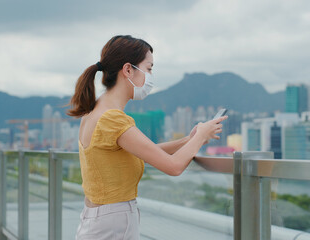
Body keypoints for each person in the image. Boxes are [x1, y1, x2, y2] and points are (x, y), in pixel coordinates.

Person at [67, 35, 228, 239]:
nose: (151, 76)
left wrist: (190, 139)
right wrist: (201, 136)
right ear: (128, 70)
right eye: (149, 68)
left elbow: (146, 152)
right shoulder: (113, 119)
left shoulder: (95, 111)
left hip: (99, 219)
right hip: (113, 222)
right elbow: (173, 167)